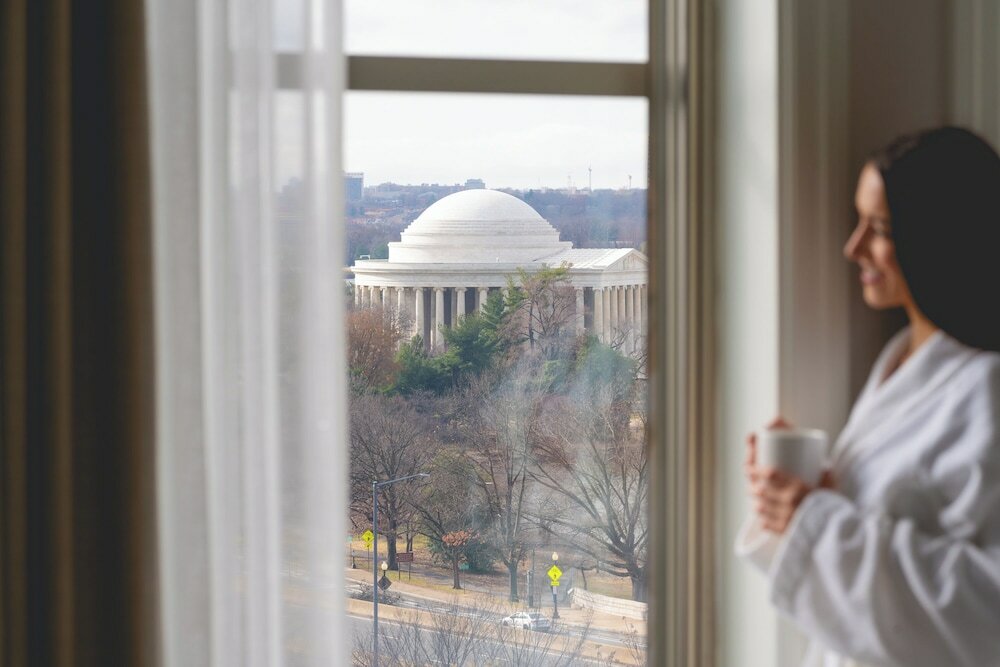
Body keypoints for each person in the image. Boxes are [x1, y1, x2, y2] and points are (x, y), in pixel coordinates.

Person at [735, 126, 1000, 667]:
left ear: (939, 236)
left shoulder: (988, 391)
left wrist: (818, 523)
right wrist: (814, 498)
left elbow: (986, 613)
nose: (852, 247)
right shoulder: (904, 360)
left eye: (879, 227)